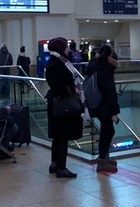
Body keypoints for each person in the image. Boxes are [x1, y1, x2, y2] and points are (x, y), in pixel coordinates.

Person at [44, 37, 83, 178]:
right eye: (65, 46)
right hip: (62, 105)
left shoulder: (58, 61)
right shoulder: (57, 64)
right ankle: (61, 167)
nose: (68, 49)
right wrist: (73, 90)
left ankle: (55, 164)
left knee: (58, 137)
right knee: (62, 137)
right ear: (60, 48)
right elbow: (57, 86)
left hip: (57, 104)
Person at [84, 44, 120, 172]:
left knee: (107, 130)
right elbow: (110, 91)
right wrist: (115, 111)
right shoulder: (105, 69)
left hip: (96, 104)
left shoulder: (94, 65)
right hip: (104, 105)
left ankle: (104, 157)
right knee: (108, 131)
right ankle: (102, 161)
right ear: (109, 55)